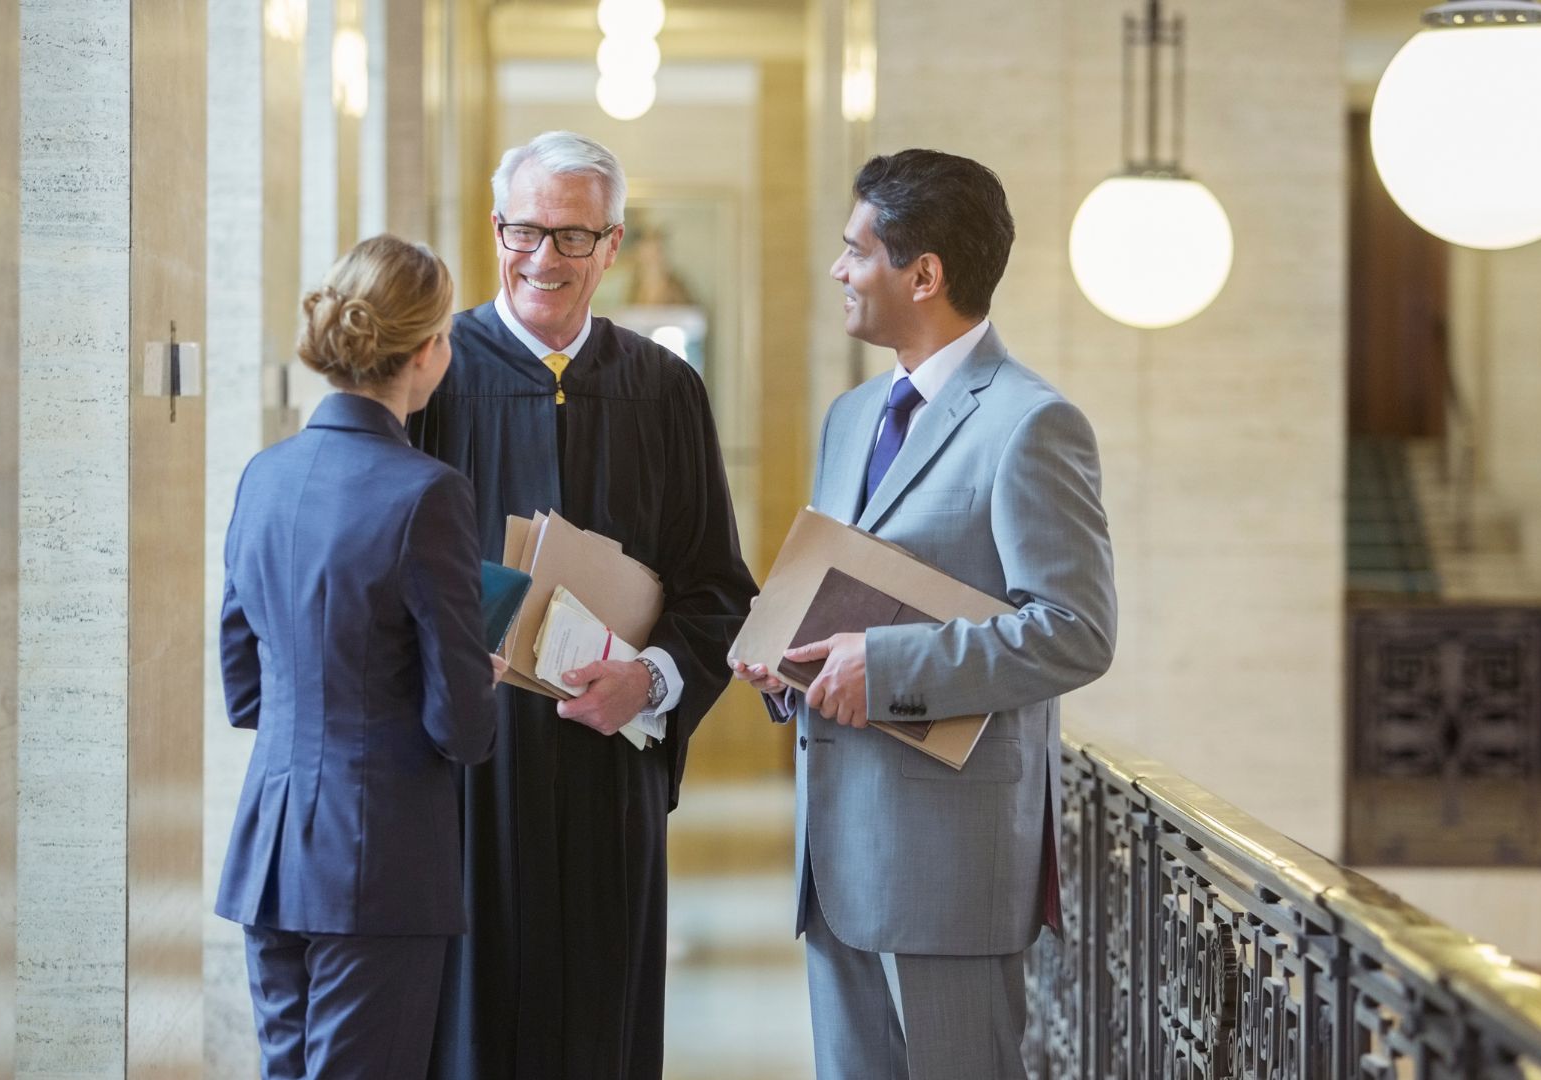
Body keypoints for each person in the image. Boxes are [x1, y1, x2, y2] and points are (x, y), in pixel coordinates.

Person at [731, 149, 1117, 1080]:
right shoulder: (850, 416)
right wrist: (789, 663)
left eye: (856, 250)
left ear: (924, 273)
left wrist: (889, 666)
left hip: (950, 866)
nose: (839, 270)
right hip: (834, 859)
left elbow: (1076, 629)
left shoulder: (1031, 424)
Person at [408, 131, 756, 1080]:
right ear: (495, 231)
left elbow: (719, 589)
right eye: (527, 231)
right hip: (469, 773)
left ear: (612, 246)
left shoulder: (665, 390)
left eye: (574, 238)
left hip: (609, 769)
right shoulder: (435, 377)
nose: (545, 259)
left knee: (602, 1025)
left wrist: (649, 679)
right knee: (471, 1028)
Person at [215, 235, 503, 1079]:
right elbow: (460, 726)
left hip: (271, 849)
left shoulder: (262, 476)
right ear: (426, 353)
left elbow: (242, 683)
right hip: (378, 857)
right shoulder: (426, 492)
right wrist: (481, 678)